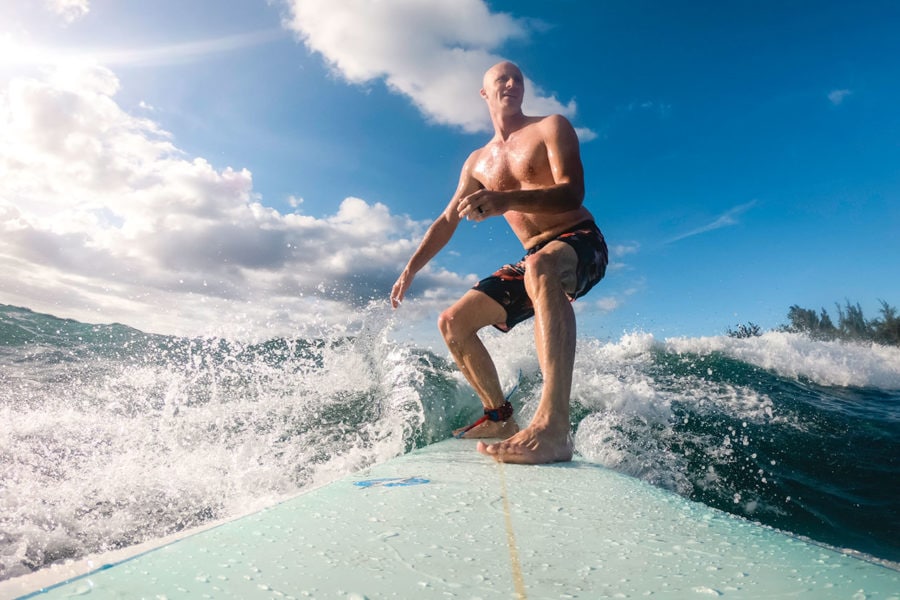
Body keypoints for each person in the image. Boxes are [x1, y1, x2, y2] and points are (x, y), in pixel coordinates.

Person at [390, 61, 608, 464]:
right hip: (534, 258)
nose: (511, 84)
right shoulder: (478, 163)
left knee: (542, 267)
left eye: (518, 79)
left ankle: (555, 427)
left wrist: (505, 200)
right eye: (501, 79)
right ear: (484, 93)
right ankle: (499, 416)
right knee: (453, 322)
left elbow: (572, 193)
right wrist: (410, 269)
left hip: (581, 241)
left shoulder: (551, 127)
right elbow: (446, 219)